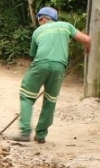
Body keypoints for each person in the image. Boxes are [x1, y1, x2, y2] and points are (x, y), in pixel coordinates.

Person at [9, 7, 91, 143]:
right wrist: (87, 50)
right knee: (50, 100)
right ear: (54, 18)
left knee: (27, 96)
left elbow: (34, 55)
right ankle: (40, 135)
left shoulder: (37, 31)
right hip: (59, 67)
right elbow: (87, 40)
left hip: (40, 64)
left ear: (42, 19)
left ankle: (24, 132)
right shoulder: (66, 26)